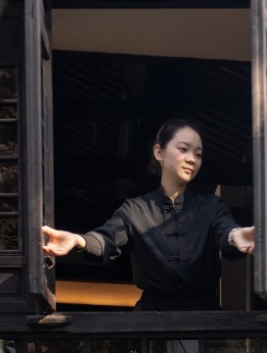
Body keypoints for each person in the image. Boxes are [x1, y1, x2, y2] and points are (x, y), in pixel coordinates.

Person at [41, 119, 255, 311]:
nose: (192, 159)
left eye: (198, 154)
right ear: (159, 152)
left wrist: (237, 236)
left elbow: (226, 230)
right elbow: (106, 239)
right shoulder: (135, 209)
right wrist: (78, 240)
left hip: (205, 317)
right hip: (152, 319)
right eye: (183, 149)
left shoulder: (212, 206)